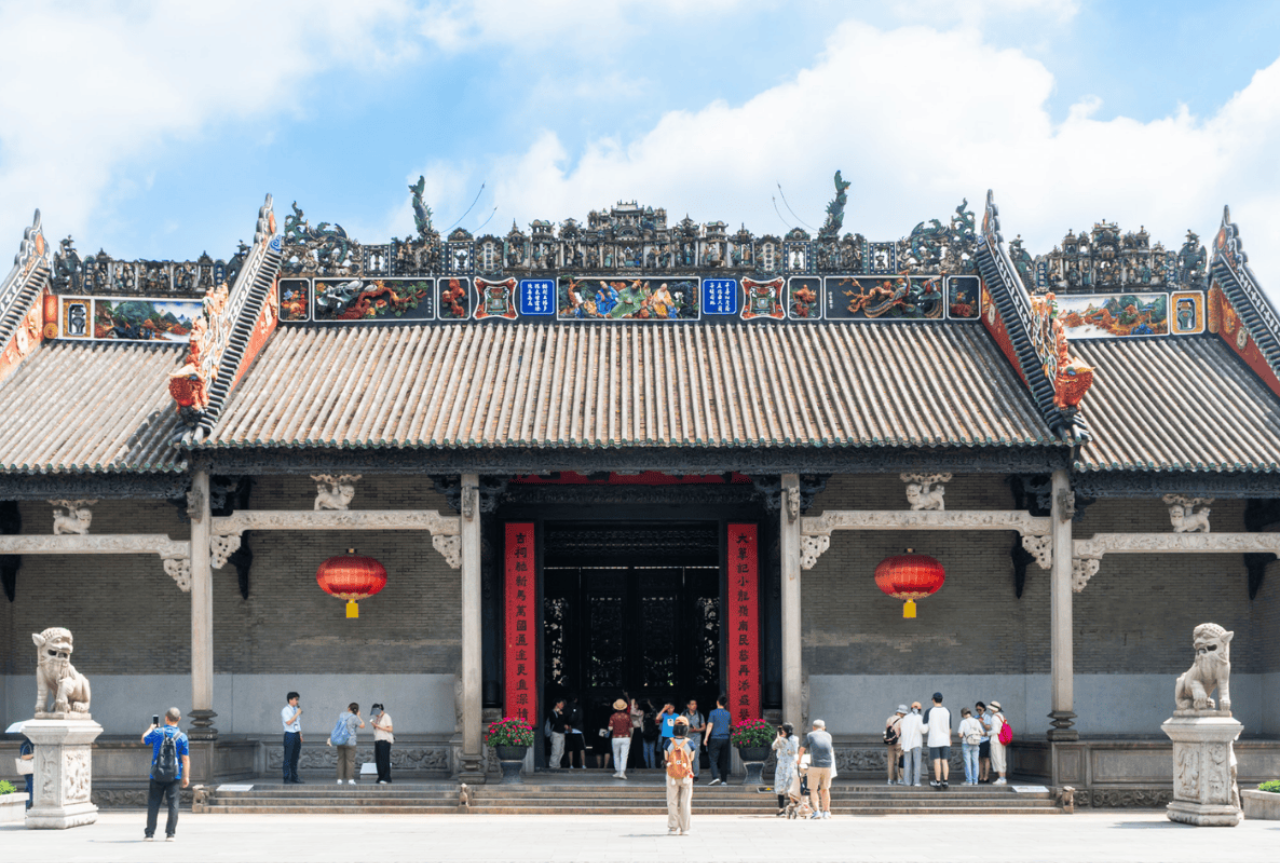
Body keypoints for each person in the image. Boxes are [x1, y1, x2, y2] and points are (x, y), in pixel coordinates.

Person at [141, 707, 189, 842]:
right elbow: (185, 759)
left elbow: (143, 740)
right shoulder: (183, 737)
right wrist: (186, 776)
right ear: (179, 719)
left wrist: (151, 728)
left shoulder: (156, 732)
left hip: (156, 774)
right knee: (173, 803)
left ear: (166, 718)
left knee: (153, 803)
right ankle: (170, 834)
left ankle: (149, 834)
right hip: (174, 775)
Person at [797, 718, 834, 819]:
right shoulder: (828, 735)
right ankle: (826, 812)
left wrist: (799, 760)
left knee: (813, 789)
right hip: (827, 766)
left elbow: (802, 749)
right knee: (825, 789)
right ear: (823, 728)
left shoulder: (810, 735)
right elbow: (830, 750)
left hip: (815, 766)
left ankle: (817, 812)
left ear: (813, 728)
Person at [664, 716, 695, 835]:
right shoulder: (690, 743)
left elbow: (666, 758)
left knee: (672, 801)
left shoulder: (668, 742)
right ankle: (685, 828)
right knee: (685, 802)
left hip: (672, 775)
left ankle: (673, 827)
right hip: (686, 775)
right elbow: (691, 758)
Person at [329, 702, 364, 785]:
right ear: (357, 710)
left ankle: (339, 779)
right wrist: (358, 715)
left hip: (340, 741)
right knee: (350, 761)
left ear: (349, 708)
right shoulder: (355, 717)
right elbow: (362, 725)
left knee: (340, 760)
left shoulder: (342, 715)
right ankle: (350, 779)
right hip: (350, 742)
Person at [924, 692, 952, 790]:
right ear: (942, 700)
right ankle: (945, 781)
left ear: (933, 700)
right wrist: (949, 738)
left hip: (934, 739)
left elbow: (925, 725)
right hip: (945, 739)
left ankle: (937, 781)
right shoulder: (947, 711)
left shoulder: (929, 711)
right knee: (945, 761)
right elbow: (949, 727)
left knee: (937, 761)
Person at [704, 694, 732, 786]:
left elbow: (710, 725)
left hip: (715, 738)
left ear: (717, 702)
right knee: (724, 760)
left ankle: (715, 777)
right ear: (725, 703)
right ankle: (724, 780)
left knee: (713, 759)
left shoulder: (713, 713)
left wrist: (706, 737)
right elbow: (728, 726)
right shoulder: (728, 713)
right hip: (725, 738)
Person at [772, 723, 799, 816]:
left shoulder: (794, 739)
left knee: (791, 787)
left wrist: (787, 748)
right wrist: (778, 737)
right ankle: (781, 809)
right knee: (780, 788)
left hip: (790, 765)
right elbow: (773, 747)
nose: (782, 731)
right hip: (781, 766)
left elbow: (794, 751)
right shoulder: (781, 739)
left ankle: (794, 809)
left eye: (783, 730)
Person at [899, 702, 924, 787]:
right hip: (916, 743)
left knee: (907, 763)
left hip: (907, 744)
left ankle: (907, 782)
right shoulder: (920, 717)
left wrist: (902, 745)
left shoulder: (906, 718)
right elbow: (923, 730)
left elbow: (903, 731)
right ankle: (916, 782)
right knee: (917, 764)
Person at [281, 691, 304, 784]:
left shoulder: (295, 710)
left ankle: (294, 777)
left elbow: (297, 723)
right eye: (296, 699)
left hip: (296, 735)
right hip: (289, 734)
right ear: (290, 700)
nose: (297, 701)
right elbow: (289, 722)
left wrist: (300, 735)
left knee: (295, 757)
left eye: (297, 699)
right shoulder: (285, 710)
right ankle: (286, 777)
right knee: (288, 757)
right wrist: (297, 713)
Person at [680, 699, 706, 780]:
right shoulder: (683, 714)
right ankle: (686, 773)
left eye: (695, 704)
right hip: (686, 738)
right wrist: (688, 729)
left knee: (696, 756)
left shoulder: (699, 715)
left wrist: (696, 730)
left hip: (696, 737)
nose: (694, 705)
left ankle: (696, 775)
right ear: (688, 706)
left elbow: (704, 727)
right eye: (692, 704)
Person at [959, 707, 983, 786]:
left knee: (967, 762)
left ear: (963, 714)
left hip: (966, 743)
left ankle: (969, 781)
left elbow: (960, 734)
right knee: (975, 762)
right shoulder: (977, 721)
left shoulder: (963, 722)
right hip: (976, 743)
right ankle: (975, 781)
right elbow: (982, 733)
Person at [370, 702, 394, 784]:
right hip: (378, 740)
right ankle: (381, 776)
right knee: (379, 760)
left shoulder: (386, 716)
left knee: (384, 759)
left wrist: (378, 726)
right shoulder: (378, 718)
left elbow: (390, 729)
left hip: (384, 740)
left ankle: (386, 777)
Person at [609, 698, 632, 778]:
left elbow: (610, 728)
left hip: (615, 737)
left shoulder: (613, 716)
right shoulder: (627, 716)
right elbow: (631, 728)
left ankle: (618, 771)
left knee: (616, 755)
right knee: (624, 755)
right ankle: (622, 772)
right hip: (625, 737)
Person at [884, 704, 906, 786]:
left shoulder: (889, 719)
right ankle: (900, 779)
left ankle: (890, 780)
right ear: (901, 713)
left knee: (890, 761)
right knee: (899, 761)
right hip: (899, 743)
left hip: (890, 743)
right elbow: (903, 733)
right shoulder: (901, 721)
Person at [988, 700, 1009, 785]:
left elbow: (995, 731)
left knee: (997, 759)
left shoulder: (994, 717)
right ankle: (1003, 777)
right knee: (1002, 758)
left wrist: (986, 733)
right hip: (1002, 740)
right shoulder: (1002, 716)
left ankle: (1001, 777)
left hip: (996, 740)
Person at [565, 697, 586, 768]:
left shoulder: (566, 708)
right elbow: (580, 718)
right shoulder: (579, 708)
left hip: (568, 731)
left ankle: (571, 765)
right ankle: (583, 765)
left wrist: (569, 725)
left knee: (570, 749)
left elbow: (564, 718)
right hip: (578, 730)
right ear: (576, 699)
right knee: (581, 749)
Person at [975, 701, 992, 783]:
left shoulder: (987, 717)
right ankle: (980, 776)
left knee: (986, 758)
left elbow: (988, 728)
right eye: (977, 709)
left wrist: (982, 722)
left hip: (985, 740)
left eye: (980, 709)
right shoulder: (976, 717)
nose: (979, 711)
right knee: (979, 759)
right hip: (977, 740)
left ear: (984, 709)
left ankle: (986, 776)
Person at [547, 698, 567, 768]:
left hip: (561, 734)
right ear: (557, 704)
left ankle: (557, 765)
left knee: (561, 751)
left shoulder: (560, 712)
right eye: (561, 704)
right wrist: (560, 715)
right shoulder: (552, 712)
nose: (562, 705)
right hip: (556, 734)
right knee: (556, 751)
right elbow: (556, 723)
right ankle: (552, 766)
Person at [17, 727, 33, 809]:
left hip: (33, 770)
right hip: (29, 772)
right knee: (32, 792)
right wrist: (33, 755)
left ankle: (22, 808)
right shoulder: (26, 744)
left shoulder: (33, 743)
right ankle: (24, 809)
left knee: (28, 789)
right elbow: (23, 757)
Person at [641, 700, 660, 768]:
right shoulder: (653, 717)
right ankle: (653, 767)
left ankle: (646, 766)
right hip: (652, 735)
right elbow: (655, 711)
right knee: (651, 752)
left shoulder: (643, 717)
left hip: (645, 735)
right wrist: (650, 704)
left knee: (645, 752)